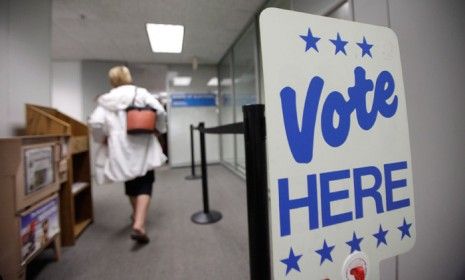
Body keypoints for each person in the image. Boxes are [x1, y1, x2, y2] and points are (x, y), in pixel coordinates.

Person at [88, 65, 167, 244]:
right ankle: (139, 223)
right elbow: (161, 112)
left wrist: (103, 138)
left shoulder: (106, 100)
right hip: (143, 142)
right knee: (145, 181)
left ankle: (136, 217)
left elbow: (96, 123)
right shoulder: (141, 93)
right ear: (128, 77)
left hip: (120, 147)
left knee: (131, 181)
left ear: (112, 80)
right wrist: (159, 129)